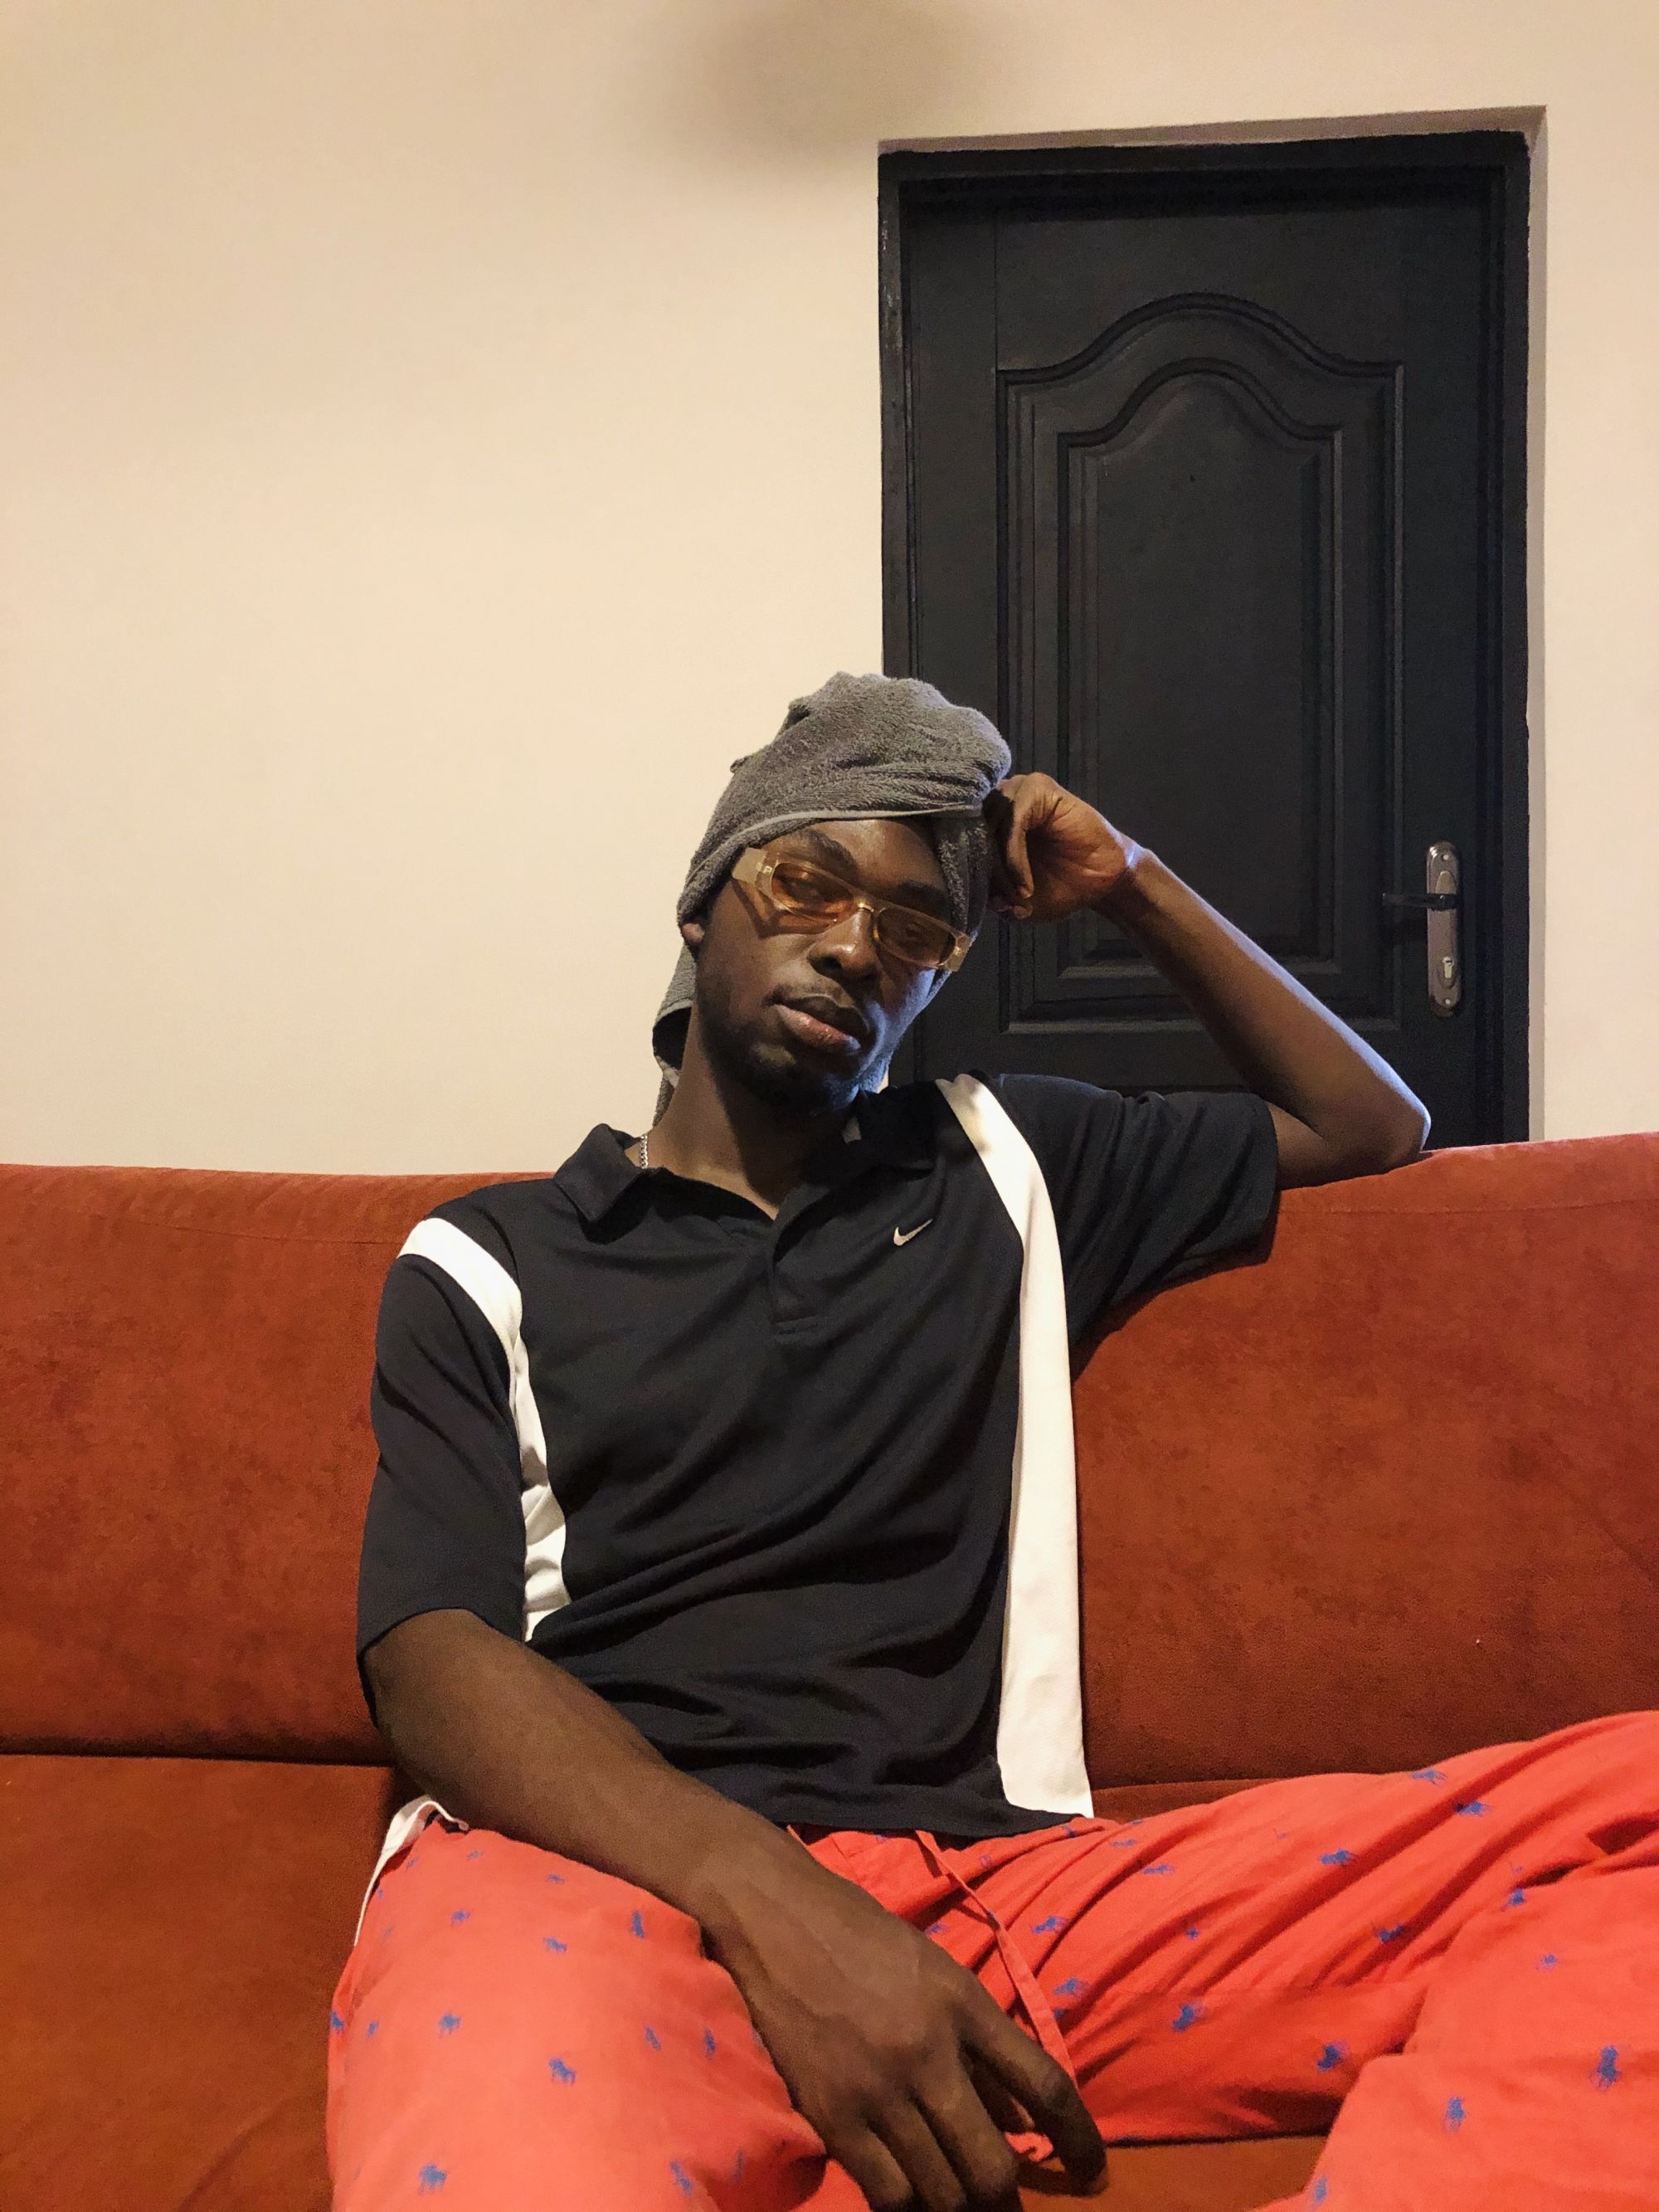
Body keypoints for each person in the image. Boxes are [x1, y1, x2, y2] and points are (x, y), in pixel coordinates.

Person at [328, 675, 1657, 2212]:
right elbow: (428, 1653)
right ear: (702, 906)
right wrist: (779, 1908)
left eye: (915, 930)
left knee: (1627, 1808)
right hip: (607, 1883)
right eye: (807, 881)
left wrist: (1131, 881)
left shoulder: (1002, 1162)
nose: (855, 946)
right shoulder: (488, 1258)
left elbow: (1372, 1122)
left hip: (1005, 1899)